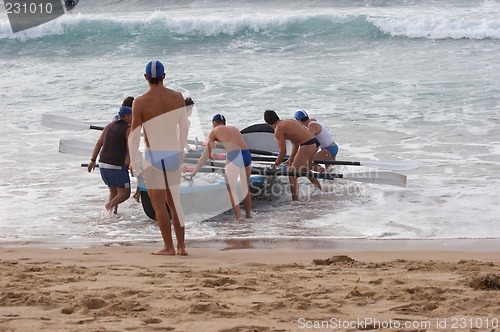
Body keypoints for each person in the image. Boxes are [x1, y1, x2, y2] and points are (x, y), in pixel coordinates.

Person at [129, 60, 189, 256]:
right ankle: (181, 246)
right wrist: (180, 150)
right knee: (175, 202)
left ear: (145, 77)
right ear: (164, 76)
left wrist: (132, 159)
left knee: (159, 204)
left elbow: (134, 133)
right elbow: (185, 125)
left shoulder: (140, 102)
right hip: (173, 153)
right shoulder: (177, 97)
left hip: (153, 155)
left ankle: (168, 247)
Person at [186, 114, 252, 221]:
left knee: (232, 189)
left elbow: (206, 154)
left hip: (234, 155)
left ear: (214, 124)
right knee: (245, 187)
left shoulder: (214, 131)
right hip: (246, 154)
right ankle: (249, 215)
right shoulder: (234, 129)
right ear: (224, 123)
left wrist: (194, 171)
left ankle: (239, 217)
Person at [264, 110, 321, 201]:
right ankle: (319, 190)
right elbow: (295, 144)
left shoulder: (278, 129)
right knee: (304, 169)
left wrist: (275, 166)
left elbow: (282, 152)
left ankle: (295, 201)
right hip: (315, 143)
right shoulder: (288, 122)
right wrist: (291, 159)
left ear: (268, 123)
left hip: (307, 145)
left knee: (292, 173)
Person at [88, 106, 132, 214]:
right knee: (125, 193)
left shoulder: (108, 126)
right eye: (132, 115)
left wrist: (93, 160)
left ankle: (111, 215)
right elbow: (130, 149)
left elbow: (99, 144)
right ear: (126, 116)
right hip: (116, 165)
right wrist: (130, 163)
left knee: (114, 191)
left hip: (102, 163)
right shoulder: (128, 129)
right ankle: (109, 205)